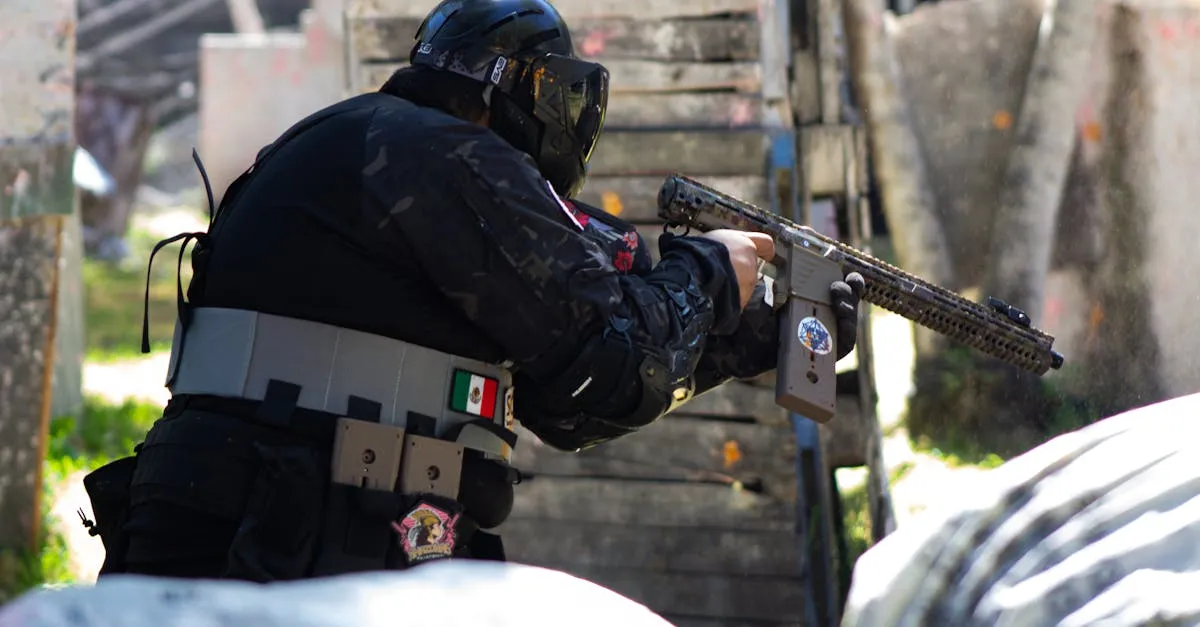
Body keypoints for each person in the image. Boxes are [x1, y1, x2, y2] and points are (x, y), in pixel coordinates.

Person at [80, 0, 867, 582]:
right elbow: (613, 364)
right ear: (518, 96)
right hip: (285, 525)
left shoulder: (380, 145)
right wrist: (709, 272)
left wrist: (738, 341)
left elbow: (571, 402)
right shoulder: (438, 153)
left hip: (294, 516)